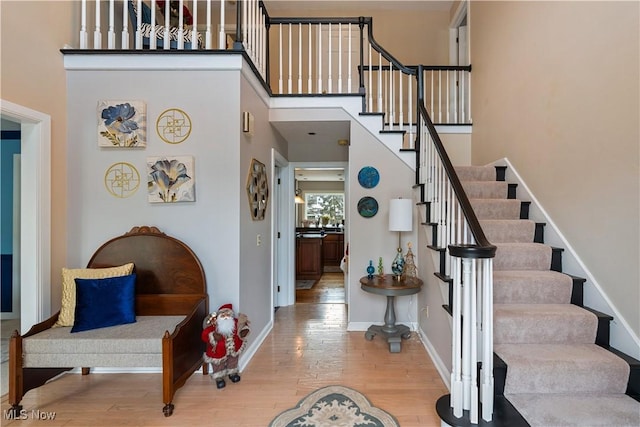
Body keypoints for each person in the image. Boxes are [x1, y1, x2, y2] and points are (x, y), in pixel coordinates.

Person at [201, 304, 250, 389]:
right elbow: (205, 335)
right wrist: (213, 336)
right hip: (219, 349)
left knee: (233, 359)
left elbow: (242, 326)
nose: (226, 317)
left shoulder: (235, 322)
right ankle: (219, 377)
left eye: (228, 315)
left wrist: (244, 331)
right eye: (223, 315)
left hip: (233, 347)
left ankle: (232, 372)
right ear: (219, 316)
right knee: (218, 363)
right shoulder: (214, 325)